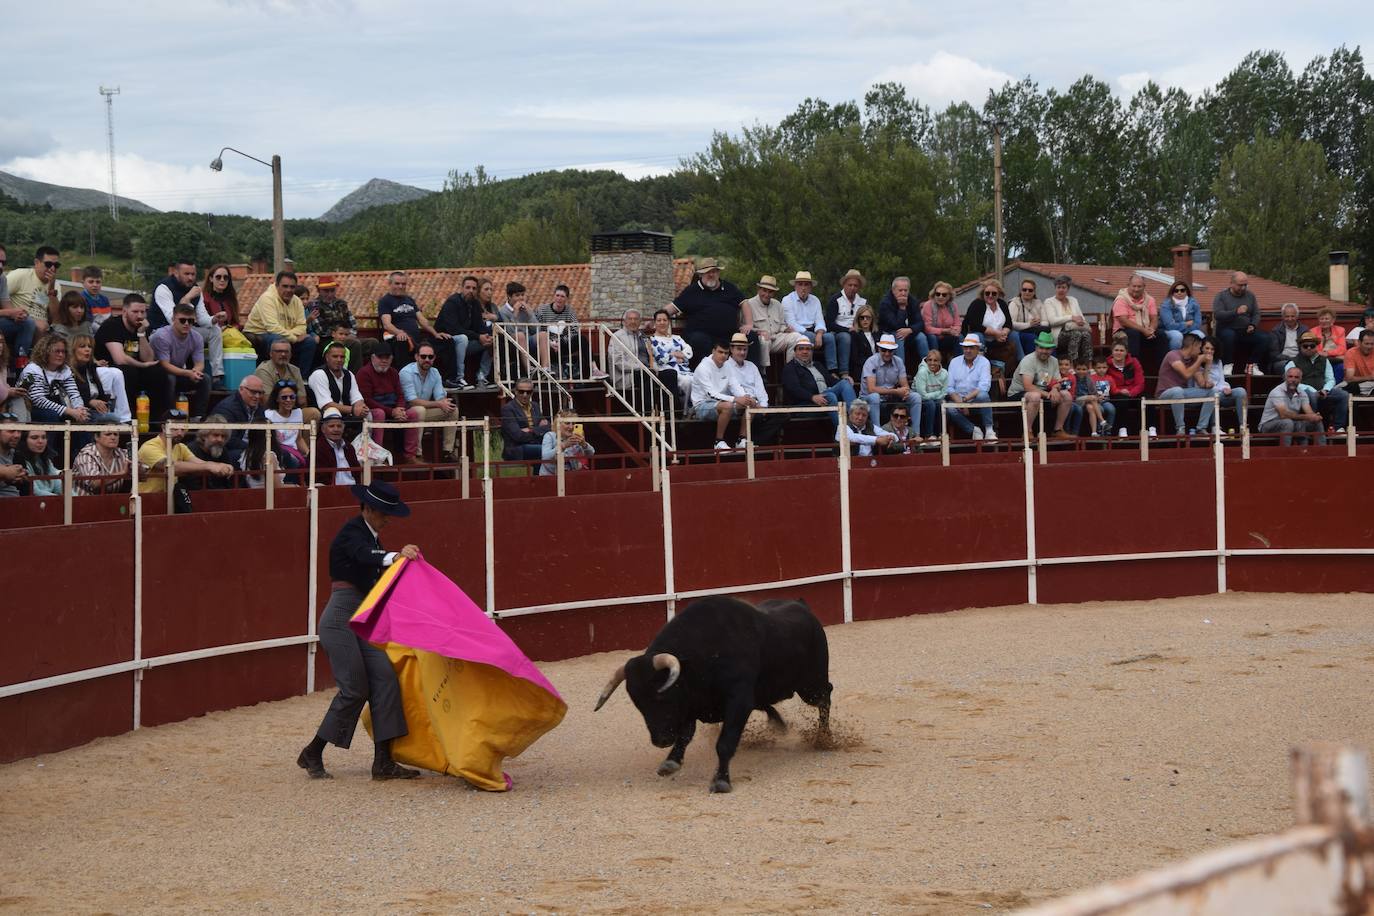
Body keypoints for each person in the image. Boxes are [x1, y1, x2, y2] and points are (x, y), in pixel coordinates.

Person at [297, 479, 420, 781]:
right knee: (354, 689)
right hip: (340, 619)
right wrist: (395, 557)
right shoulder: (352, 533)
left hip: (359, 619)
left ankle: (383, 763)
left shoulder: (373, 538)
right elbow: (364, 555)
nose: (387, 518)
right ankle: (313, 751)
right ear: (366, 508)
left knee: (386, 678)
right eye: (382, 511)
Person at [668, 258, 749, 369]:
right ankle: (706, 375)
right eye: (707, 272)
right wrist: (657, 317)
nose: (711, 274)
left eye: (713, 271)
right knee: (700, 340)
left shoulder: (730, 288)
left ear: (718, 273)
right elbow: (672, 308)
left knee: (750, 337)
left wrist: (749, 324)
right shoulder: (691, 291)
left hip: (728, 335)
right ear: (701, 274)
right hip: (700, 335)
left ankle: (753, 375)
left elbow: (744, 303)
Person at [153, 259, 224, 385]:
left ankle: (217, 375)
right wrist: (187, 298)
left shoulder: (196, 289)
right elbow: (173, 320)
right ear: (176, 272)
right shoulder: (163, 288)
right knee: (183, 328)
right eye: (187, 274)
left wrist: (214, 319)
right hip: (161, 331)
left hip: (186, 330)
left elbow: (202, 318)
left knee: (215, 331)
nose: (191, 278)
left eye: (193, 274)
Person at [96, 293, 166, 417]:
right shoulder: (112, 325)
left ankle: (156, 419)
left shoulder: (142, 327)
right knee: (128, 372)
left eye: (143, 312)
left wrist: (141, 334)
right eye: (135, 312)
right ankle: (130, 418)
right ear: (124, 311)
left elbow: (148, 358)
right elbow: (120, 359)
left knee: (158, 371)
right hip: (109, 368)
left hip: (134, 367)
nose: (139, 316)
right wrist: (143, 365)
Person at [356, 339, 422, 463]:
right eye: (380, 357)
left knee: (413, 413)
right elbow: (367, 400)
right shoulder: (364, 373)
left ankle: (410, 456)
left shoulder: (393, 372)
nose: (384, 360)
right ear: (373, 358)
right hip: (374, 408)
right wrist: (392, 412)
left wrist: (400, 409)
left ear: (391, 359)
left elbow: (400, 395)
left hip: (392, 407)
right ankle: (377, 456)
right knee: (379, 413)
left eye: (387, 357)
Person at [137, 412, 235, 493]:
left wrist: (221, 466)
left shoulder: (181, 447)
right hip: (147, 499)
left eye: (183, 429)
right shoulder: (150, 446)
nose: (180, 433)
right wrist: (209, 466)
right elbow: (169, 466)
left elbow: (199, 463)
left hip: (168, 499)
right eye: (175, 428)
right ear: (163, 428)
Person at [244, 270, 317, 372]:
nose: (289, 290)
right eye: (285, 286)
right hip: (260, 334)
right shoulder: (267, 298)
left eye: (292, 287)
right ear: (277, 285)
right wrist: (294, 338)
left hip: (283, 334)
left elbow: (302, 326)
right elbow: (272, 328)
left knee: (309, 341)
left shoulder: (296, 301)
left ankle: (301, 379)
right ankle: (276, 377)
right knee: (279, 340)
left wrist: (290, 335)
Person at [1008, 331, 1075, 439]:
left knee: (1066, 395)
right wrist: (1048, 394)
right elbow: (1028, 386)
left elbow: (1058, 382)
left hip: (1042, 392)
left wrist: (1054, 389)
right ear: (1036, 347)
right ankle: (1028, 432)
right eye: (1041, 348)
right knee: (1035, 396)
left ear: (1052, 349)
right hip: (1018, 393)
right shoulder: (1028, 360)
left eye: (1047, 348)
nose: (1044, 351)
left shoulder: (1053, 361)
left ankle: (1058, 430)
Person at [399, 341, 459, 461]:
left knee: (452, 410)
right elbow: (412, 402)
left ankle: (448, 451)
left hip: (424, 411)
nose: (427, 359)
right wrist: (438, 403)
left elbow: (440, 397)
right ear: (416, 357)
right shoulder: (406, 372)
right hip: (405, 413)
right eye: (423, 356)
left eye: (430, 357)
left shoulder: (435, 372)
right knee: (419, 410)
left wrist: (444, 403)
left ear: (434, 358)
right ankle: (417, 454)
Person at [780, 338, 856, 431]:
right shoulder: (790, 368)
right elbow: (793, 389)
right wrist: (812, 397)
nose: (805, 351)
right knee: (830, 396)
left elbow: (831, 381)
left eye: (808, 349)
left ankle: (855, 423)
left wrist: (843, 380)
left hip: (824, 396)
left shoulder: (817, 365)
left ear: (811, 352)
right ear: (795, 352)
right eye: (801, 349)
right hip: (805, 403)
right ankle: (844, 433)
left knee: (844, 383)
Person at [150, 304, 211, 420]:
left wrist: (195, 372)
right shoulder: (162, 336)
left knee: (205, 379)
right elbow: (165, 365)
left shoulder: (197, 337)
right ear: (173, 319)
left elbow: (199, 363)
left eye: (191, 321)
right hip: (158, 375)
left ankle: (198, 417)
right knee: (169, 378)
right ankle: (171, 416)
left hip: (179, 373)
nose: (187, 324)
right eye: (182, 320)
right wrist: (188, 373)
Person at [17, 334, 90, 427]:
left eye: (63, 352)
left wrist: (80, 409)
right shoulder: (32, 370)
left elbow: (74, 393)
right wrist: (69, 411)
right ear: (45, 352)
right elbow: (38, 400)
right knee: (51, 416)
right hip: (31, 408)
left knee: (86, 417)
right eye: (57, 351)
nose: (61, 355)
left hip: (56, 406)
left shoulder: (65, 370)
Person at [691, 341, 750, 451]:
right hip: (701, 405)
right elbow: (711, 394)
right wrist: (736, 399)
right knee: (727, 406)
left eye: (726, 353)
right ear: (713, 351)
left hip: (722, 402)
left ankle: (741, 440)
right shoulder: (703, 367)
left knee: (751, 404)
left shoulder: (727, 366)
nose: (723, 355)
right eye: (720, 352)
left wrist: (745, 397)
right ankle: (718, 442)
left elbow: (735, 385)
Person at [1284, 331, 1348, 431]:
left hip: (1323, 391)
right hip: (1303, 392)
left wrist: (1325, 390)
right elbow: (1291, 382)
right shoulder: (1292, 362)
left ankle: (1338, 427)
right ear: (1300, 347)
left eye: (1312, 346)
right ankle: (1313, 426)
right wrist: (1313, 391)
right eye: (1305, 346)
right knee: (1312, 395)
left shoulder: (1324, 360)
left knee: (1343, 395)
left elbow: (1330, 379)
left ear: (1316, 346)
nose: (1309, 348)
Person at [1155, 330, 1214, 436]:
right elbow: (1186, 374)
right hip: (1164, 394)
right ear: (1193, 346)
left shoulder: (1193, 361)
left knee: (1212, 392)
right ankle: (1180, 429)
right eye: (1199, 347)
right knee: (1178, 391)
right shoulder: (1173, 355)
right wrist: (1199, 361)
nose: (1200, 351)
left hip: (1182, 393)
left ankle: (1201, 428)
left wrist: (1208, 364)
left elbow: (1203, 384)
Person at [740, 275, 802, 371]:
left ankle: (791, 369)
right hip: (760, 339)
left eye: (770, 291)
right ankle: (763, 372)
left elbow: (781, 324)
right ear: (759, 290)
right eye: (764, 290)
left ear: (774, 293)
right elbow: (744, 327)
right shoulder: (749, 304)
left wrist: (786, 329)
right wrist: (759, 332)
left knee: (797, 337)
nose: (767, 294)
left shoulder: (777, 304)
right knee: (764, 340)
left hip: (776, 338)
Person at [860, 333, 922, 427]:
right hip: (868, 398)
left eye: (890, 351)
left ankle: (915, 433)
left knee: (916, 397)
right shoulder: (871, 361)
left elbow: (905, 385)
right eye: (884, 350)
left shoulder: (898, 361)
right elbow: (871, 389)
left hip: (891, 397)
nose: (887, 353)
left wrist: (905, 392)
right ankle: (877, 432)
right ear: (879, 349)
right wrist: (896, 391)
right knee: (875, 397)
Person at [1212, 271, 1269, 374]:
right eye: (1240, 285)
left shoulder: (1250, 296)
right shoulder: (1221, 296)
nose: (1243, 288)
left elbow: (1256, 313)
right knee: (1229, 335)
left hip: (1245, 330)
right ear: (1232, 283)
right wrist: (1235, 312)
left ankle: (1252, 365)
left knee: (1265, 337)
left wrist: (1253, 325)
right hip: (1226, 328)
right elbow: (1218, 315)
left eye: (1245, 285)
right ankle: (1228, 364)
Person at [255, 338, 320, 426]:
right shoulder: (264, 370)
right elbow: (267, 401)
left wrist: (286, 402)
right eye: (279, 351)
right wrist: (290, 400)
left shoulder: (295, 370)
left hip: (291, 411)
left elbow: (303, 401)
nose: (283, 354)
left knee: (313, 413)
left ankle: (303, 440)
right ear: (270, 354)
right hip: (272, 413)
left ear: (291, 354)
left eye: (286, 352)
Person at [539, 284, 598, 379]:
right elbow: (537, 328)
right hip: (546, 344)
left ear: (566, 298)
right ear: (554, 296)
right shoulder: (542, 310)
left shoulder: (570, 311)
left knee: (582, 339)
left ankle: (595, 370)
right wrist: (551, 342)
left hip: (563, 344)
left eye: (562, 296)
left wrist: (561, 341)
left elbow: (575, 330)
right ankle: (545, 370)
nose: (559, 298)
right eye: (557, 295)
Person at [945, 333, 996, 441]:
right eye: (965, 347)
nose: (968, 350)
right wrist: (960, 403)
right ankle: (973, 430)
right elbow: (949, 387)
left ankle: (989, 430)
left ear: (978, 349)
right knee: (949, 408)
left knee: (983, 395)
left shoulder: (984, 362)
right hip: (958, 401)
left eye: (971, 348)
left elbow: (984, 386)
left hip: (976, 401)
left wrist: (965, 400)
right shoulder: (954, 362)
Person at [435, 275, 483, 389]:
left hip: (465, 343)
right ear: (462, 288)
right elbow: (454, 329)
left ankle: (482, 377)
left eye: (474, 288)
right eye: (468, 287)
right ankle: (458, 377)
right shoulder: (452, 302)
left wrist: (485, 336)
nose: (470, 291)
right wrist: (478, 336)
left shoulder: (475, 304)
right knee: (462, 338)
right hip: (444, 341)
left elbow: (479, 325)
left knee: (491, 341)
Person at [783, 271, 836, 374]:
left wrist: (820, 333)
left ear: (811, 287)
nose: (803, 288)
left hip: (814, 330)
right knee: (809, 337)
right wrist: (811, 334)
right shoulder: (787, 300)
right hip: (796, 331)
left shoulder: (815, 300)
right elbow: (791, 323)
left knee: (830, 338)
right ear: (795, 286)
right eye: (800, 284)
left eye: (806, 284)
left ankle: (832, 371)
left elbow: (820, 320)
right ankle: (810, 370)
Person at [210, 374, 268, 468]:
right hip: (227, 450)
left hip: (251, 448)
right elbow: (229, 440)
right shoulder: (227, 408)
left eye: (260, 393)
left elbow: (263, 434)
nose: (257, 396)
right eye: (253, 392)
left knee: (283, 455)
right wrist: (253, 449)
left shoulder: (259, 408)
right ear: (241, 389)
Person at [306, 275, 361, 373]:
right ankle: (353, 376)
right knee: (355, 344)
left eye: (332, 290)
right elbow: (321, 330)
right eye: (326, 291)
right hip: (327, 339)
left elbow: (353, 322)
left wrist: (351, 334)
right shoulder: (314, 305)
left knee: (372, 342)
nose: (330, 294)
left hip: (347, 336)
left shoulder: (342, 303)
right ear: (319, 291)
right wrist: (341, 335)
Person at [70, 334, 128, 423]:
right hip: (79, 411)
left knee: (114, 416)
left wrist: (104, 402)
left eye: (90, 347)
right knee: (114, 419)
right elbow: (71, 396)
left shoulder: (90, 368)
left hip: (93, 410)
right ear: (73, 350)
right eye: (82, 346)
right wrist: (89, 401)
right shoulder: (69, 371)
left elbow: (100, 394)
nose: (87, 349)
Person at [1111, 273, 1165, 369]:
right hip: (1123, 329)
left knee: (1161, 335)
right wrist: (1144, 330)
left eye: (1139, 286)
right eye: (1134, 286)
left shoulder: (1150, 300)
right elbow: (1123, 321)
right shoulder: (1121, 299)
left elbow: (1154, 318)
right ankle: (1133, 367)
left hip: (1145, 328)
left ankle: (1161, 368)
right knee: (1134, 334)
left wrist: (1151, 329)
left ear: (1144, 287)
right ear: (1128, 286)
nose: (1136, 289)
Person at [1259, 366, 1324, 446]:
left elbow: (1308, 411)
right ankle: (1285, 452)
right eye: (1290, 377)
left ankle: (1321, 450)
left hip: (1291, 423)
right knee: (1288, 422)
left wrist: (1315, 416)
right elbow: (1283, 414)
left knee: (1316, 422)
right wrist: (1307, 417)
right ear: (1285, 378)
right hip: (1268, 425)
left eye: (1296, 377)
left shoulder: (1302, 393)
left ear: (1300, 380)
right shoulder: (1277, 392)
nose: (1293, 380)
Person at [961, 279, 1020, 367]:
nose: (990, 296)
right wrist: (996, 333)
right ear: (983, 293)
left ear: (999, 294)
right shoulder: (977, 304)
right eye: (987, 293)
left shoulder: (1002, 304)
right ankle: (979, 365)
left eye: (994, 293)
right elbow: (974, 325)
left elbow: (1008, 323)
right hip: (983, 337)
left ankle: (1021, 362)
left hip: (1000, 337)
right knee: (978, 336)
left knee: (1014, 335)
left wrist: (1004, 333)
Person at [877, 276, 929, 371]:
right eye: (900, 290)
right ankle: (901, 371)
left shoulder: (912, 301)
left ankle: (927, 368)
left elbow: (920, 323)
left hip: (908, 332)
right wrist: (902, 308)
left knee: (921, 337)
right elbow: (895, 325)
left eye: (906, 290)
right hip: (889, 333)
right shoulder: (886, 303)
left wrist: (910, 330)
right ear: (893, 290)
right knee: (899, 337)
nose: (903, 293)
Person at [1197, 336, 1247, 433]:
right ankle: (1215, 427)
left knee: (1241, 391)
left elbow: (1221, 381)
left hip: (1220, 393)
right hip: (1205, 394)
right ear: (1201, 348)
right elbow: (1202, 385)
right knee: (1214, 392)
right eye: (1207, 348)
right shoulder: (1197, 362)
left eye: (1212, 349)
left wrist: (1225, 388)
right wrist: (1208, 363)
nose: (1209, 351)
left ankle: (1243, 426)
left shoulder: (1218, 361)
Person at [6, 246, 60, 335]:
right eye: (48, 264)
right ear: (36, 263)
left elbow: (56, 319)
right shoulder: (20, 275)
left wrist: (51, 288)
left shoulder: (56, 285)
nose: (53, 269)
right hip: (18, 321)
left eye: (56, 265)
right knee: (41, 326)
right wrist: (10, 312)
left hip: (44, 325)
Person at [309, 341, 368, 420]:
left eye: (342, 357)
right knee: (333, 412)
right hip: (325, 416)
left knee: (368, 414)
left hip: (347, 413)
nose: (339, 360)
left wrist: (361, 408)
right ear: (327, 357)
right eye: (335, 356)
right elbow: (326, 405)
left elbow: (357, 398)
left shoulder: (349, 374)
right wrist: (353, 409)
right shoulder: (319, 374)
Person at [608, 308, 655, 407]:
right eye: (630, 319)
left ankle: (671, 412)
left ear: (640, 322)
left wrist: (652, 368)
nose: (633, 322)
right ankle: (648, 411)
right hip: (625, 376)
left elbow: (651, 354)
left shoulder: (642, 336)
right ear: (624, 321)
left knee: (669, 374)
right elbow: (618, 362)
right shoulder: (617, 336)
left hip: (645, 372)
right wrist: (642, 367)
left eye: (636, 319)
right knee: (646, 375)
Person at [496, 281, 548, 370]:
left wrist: (529, 314)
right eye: (517, 295)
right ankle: (529, 369)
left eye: (522, 295)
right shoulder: (503, 311)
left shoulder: (525, 309)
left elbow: (536, 329)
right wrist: (515, 314)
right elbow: (510, 331)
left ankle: (546, 368)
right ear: (509, 296)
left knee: (543, 334)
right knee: (520, 335)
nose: (521, 298)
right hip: (513, 341)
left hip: (528, 339)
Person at [823, 269, 865, 380]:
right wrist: (847, 329)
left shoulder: (863, 302)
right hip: (838, 332)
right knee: (846, 337)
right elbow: (829, 323)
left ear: (859, 287)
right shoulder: (835, 300)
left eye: (855, 285)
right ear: (844, 285)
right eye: (850, 285)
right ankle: (844, 372)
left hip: (858, 330)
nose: (852, 288)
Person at [0, 244, 39, 363]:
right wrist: (8, 312)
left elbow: (7, 305)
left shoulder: (1, 278)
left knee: (27, 323)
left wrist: (17, 315)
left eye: (3, 262)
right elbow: (7, 311)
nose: (1, 266)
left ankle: (20, 366)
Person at [1043, 274, 1092, 364]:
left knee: (1086, 334)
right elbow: (1052, 321)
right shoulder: (1049, 301)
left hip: (1075, 328)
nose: (1061, 290)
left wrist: (1081, 322)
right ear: (1055, 288)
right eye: (1059, 287)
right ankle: (1073, 364)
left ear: (1068, 289)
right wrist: (1071, 317)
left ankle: (1088, 365)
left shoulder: (1073, 300)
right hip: (1059, 333)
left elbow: (1081, 316)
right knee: (1076, 334)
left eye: (1064, 287)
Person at [648, 308, 693, 402]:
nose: (662, 323)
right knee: (687, 382)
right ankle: (685, 411)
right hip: (667, 371)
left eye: (665, 320)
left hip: (684, 370)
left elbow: (689, 352)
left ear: (669, 322)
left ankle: (693, 410)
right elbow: (661, 358)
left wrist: (673, 355)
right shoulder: (653, 340)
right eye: (659, 320)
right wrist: (678, 356)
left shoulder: (677, 338)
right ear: (655, 323)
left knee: (697, 380)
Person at [1104, 340, 1147, 436]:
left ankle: (1150, 429)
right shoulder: (1106, 364)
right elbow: (1105, 381)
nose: (1119, 353)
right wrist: (1120, 391)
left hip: (1133, 391)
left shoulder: (1134, 362)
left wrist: (1131, 393)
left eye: (1121, 350)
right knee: (1122, 401)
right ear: (1112, 352)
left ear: (1126, 352)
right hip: (1116, 392)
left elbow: (1140, 383)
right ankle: (1122, 429)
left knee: (1146, 399)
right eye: (1116, 350)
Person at [500, 379, 549, 461]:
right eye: (521, 392)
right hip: (516, 449)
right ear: (515, 391)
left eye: (528, 392)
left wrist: (530, 430)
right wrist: (539, 431)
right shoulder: (508, 408)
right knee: (547, 450)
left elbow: (548, 427)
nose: (525, 395)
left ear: (532, 392)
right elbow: (518, 436)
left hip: (535, 444)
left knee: (554, 448)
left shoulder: (535, 406)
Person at [183, 416, 236, 491]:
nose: (220, 439)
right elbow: (191, 484)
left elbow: (227, 482)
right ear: (204, 435)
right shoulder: (190, 450)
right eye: (216, 435)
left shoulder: (223, 451)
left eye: (223, 436)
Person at [73, 427, 131, 495]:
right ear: (96, 437)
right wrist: (122, 473)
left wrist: (141, 469)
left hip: (109, 501)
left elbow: (143, 474)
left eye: (115, 434)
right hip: (81, 500)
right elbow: (94, 483)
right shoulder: (86, 454)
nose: (113, 437)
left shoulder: (123, 453)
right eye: (108, 434)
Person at [265, 380, 309, 469]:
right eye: (284, 397)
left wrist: (309, 454)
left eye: (292, 397)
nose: (289, 400)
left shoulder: (298, 413)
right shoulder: (268, 415)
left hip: (294, 453)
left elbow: (299, 439)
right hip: (277, 454)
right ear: (277, 399)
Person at [316, 408, 360, 485]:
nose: (336, 429)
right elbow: (319, 477)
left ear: (343, 428)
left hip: (353, 489)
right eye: (331, 426)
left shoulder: (349, 447)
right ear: (323, 429)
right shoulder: (318, 448)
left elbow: (357, 473)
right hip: (331, 490)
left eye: (339, 426)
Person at [920, 281, 961, 362]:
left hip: (947, 336)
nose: (940, 297)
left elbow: (957, 323)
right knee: (932, 337)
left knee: (960, 337)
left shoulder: (953, 306)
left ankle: (959, 364)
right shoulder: (928, 305)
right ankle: (935, 363)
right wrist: (945, 331)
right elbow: (927, 328)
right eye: (938, 294)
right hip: (932, 336)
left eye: (944, 295)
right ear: (934, 294)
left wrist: (955, 330)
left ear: (949, 296)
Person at [913, 350, 949, 442]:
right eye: (930, 360)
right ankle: (929, 435)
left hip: (934, 399)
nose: (932, 363)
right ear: (926, 361)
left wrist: (938, 395)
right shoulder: (922, 372)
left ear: (940, 362)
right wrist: (938, 393)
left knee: (940, 404)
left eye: (935, 360)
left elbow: (944, 393)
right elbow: (922, 395)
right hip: (920, 399)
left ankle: (940, 433)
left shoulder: (944, 373)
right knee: (931, 404)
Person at [1267, 304, 1310, 376]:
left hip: (1300, 360)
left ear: (1297, 316)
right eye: (1287, 316)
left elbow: (1308, 349)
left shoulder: (1304, 330)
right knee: (1291, 367)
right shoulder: (1276, 331)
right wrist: (1291, 359)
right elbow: (1274, 354)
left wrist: (1298, 360)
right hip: (1282, 361)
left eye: (1292, 316)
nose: (1290, 319)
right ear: (1283, 317)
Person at [1159, 280, 1203, 351]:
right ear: (1172, 292)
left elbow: (1197, 324)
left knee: (1200, 335)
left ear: (1186, 292)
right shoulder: (1166, 305)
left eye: (1182, 290)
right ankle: (1174, 358)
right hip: (1169, 331)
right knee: (1177, 336)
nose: (1179, 292)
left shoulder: (1194, 303)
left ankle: (1195, 359)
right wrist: (1186, 324)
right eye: (1176, 290)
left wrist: (1185, 329)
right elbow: (1170, 326)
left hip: (1189, 330)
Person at [16, 429, 61, 496]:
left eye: (43, 437)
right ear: (24, 440)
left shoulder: (47, 461)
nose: (40, 441)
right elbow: (35, 492)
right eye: (34, 438)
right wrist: (61, 500)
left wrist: (73, 498)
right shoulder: (20, 461)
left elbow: (59, 486)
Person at [1071, 359, 1108, 437]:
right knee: (1092, 397)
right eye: (1078, 369)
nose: (1081, 371)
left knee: (1090, 407)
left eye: (1084, 369)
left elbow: (1093, 392)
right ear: (1074, 369)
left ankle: (1094, 432)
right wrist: (1093, 397)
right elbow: (1072, 395)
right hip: (1076, 399)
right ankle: (1102, 420)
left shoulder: (1088, 379)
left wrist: (1098, 397)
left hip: (1088, 401)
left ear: (1088, 370)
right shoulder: (1073, 378)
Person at [1009, 279, 1045, 357]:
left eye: (1030, 290)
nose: (1027, 292)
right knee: (1032, 338)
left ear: (1034, 292)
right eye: (1024, 289)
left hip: (1036, 330)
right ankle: (1032, 362)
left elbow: (1046, 322)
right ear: (1020, 291)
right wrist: (1030, 324)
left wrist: (1039, 322)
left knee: (1047, 338)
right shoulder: (1014, 303)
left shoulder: (1038, 303)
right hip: (1019, 333)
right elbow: (1011, 324)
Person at [201, 264, 242, 333]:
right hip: (213, 336)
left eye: (225, 277)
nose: (222, 280)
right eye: (218, 277)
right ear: (211, 279)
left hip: (231, 335)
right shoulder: (204, 299)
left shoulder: (231, 299)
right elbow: (203, 323)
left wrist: (233, 328)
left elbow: (235, 322)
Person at [0, 336, 31, 421]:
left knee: (20, 399)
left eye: (1, 342)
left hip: (3, 404)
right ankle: (19, 430)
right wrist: (8, 392)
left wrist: (11, 391)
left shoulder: (2, 365)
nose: (0, 345)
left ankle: (21, 431)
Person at [848, 305, 880, 379]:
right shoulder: (854, 335)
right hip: (862, 369)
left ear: (872, 319)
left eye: (868, 318)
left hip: (879, 368)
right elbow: (855, 358)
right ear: (858, 319)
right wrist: (872, 364)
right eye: (862, 318)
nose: (865, 320)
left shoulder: (877, 334)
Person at [80, 266, 114, 331]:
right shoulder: (81, 299)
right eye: (91, 282)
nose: (95, 285)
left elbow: (110, 320)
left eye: (98, 282)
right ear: (83, 283)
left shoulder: (105, 300)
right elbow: (88, 324)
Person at [1313, 308, 1347, 373]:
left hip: (1336, 360)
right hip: (1320, 360)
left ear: (1333, 320)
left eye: (1326, 319)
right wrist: (1334, 354)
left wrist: (1327, 353)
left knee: (1342, 367)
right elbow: (1315, 350)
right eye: (1321, 319)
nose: (1324, 321)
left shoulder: (1340, 330)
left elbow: (1342, 349)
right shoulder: (1313, 331)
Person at [1343, 329, 1374, 398]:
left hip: (1371, 384)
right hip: (1356, 385)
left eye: (1372, 344)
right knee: (1351, 386)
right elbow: (1349, 378)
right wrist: (1370, 377)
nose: (1370, 347)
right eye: (1367, 344)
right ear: (1359, 342)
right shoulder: (1351, 353)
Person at [0, 419, 25, 497]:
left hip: (14, 502)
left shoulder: (17, 455)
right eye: (11, 431)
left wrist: (21, 476)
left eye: (19, 431)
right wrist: (5, 472)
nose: (17, 435)